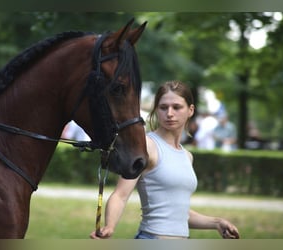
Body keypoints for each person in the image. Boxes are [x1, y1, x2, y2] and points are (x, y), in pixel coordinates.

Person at [90, 80, 240, 239]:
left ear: (190, 110)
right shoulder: (147, 146)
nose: (169, 113)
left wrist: (217, 223)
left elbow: (177, 213)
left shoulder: (187, 156)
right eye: (163, 107)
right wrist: (110, 226)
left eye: (176, 107)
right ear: (156, 110)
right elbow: (120, 195)